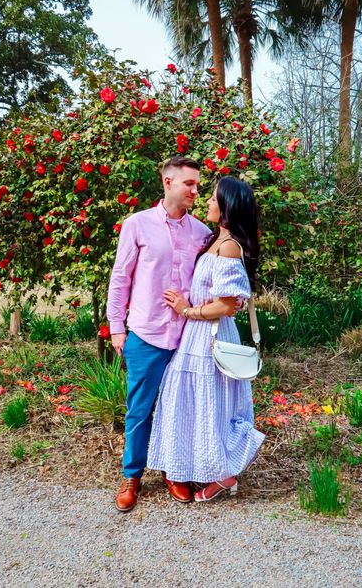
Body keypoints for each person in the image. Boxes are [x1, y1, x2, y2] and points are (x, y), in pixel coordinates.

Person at [147, 177, 265, 501]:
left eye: (214, 199)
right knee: (196, 403)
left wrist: (188, 310)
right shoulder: (217, 240)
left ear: (227, 207)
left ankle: (224, 475)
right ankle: (201, 470)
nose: (208, 203)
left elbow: (227, 305)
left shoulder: (228, 247)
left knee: (209, 405)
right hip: (197, 335)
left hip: (208, 333)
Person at [107, 155, 211, 512]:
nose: (196, 190)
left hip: (187, 337)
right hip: (146, 334)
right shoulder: (137, 224)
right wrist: (117, 327)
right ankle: (132, 475)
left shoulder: (201, 232)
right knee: (139, 410)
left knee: (180, 408)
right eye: (190, 184)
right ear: (168, 182)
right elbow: (121, 277)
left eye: (198, 185)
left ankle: (174, 471)